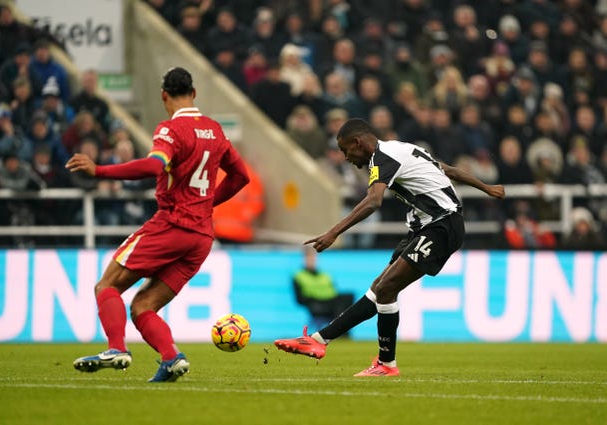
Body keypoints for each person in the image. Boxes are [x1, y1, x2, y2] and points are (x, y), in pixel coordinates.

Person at [274, 118, 505, 376]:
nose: (346, 157)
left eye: (344, 150)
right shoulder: (400, 148)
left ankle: (321, 342)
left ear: (357, 143)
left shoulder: (382, 158)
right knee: (381, 290)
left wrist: (333, 232)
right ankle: (381, 363)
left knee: (385, 288)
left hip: (442, 226)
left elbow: (373, 201)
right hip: (424, 227)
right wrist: (486, 188)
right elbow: (448, 170)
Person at [66, 67, 249, 382]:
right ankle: (171, 358)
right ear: (193, 94)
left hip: (173, 225)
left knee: (106, 285)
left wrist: (99, 171)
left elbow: (154, 165)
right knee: (143, 306)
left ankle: (116, 348)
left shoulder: (170, 129)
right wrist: (206, 204)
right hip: (202, 236)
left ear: (164, 95)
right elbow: (241, 176)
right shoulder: (216, 131)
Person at [292, 246, 354, 331]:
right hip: (315, 304)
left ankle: (341, 329)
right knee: (339, 308)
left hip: (330, 301)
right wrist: (311, 300)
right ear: (304, 259)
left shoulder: (325, 275)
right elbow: (299, 299)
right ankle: (340, 330)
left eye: (313, 258)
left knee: (348, 297)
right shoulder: (299, 276)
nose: (312, 260)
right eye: (309, 258)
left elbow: (334, 290)